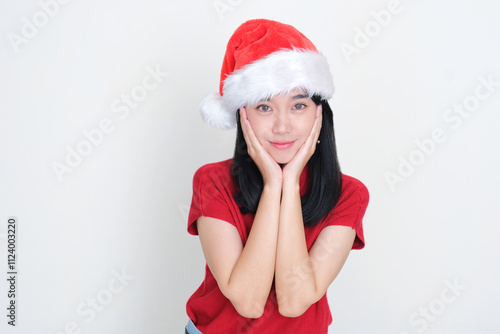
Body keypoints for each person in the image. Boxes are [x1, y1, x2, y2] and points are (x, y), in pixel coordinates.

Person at [185, 19, 369, 334]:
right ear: (243, 115)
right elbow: (248, 301)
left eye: (298, 105)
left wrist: (292, 180)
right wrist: (274, 185)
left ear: (319, 114)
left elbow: (294, 301)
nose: (282, 126)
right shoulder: (212, 182)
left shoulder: (348, 194)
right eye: (264, 107)